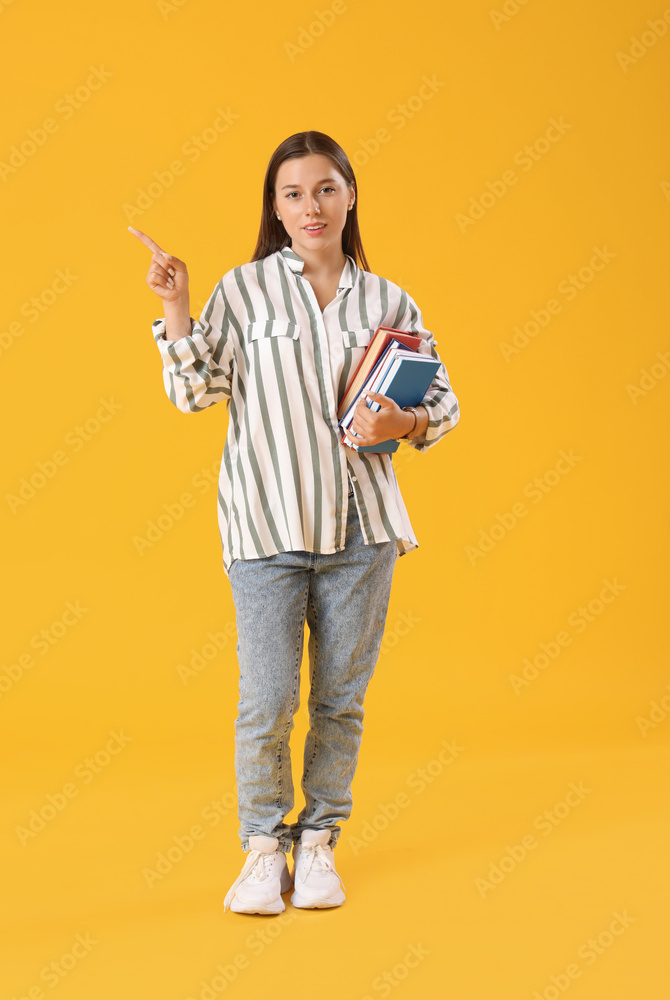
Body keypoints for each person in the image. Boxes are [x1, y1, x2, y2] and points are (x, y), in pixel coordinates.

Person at [129, 129, 460, 916]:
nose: (310, 205)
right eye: (292, 193)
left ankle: (319, 843)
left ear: (349, 197)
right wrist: (176, 306)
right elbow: (194, 393)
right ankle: (261, 847)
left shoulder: (389, 301)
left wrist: (402, 427)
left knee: (341, 699)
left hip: (361, 532)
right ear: (274, 210)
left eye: (324, 189)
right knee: (269, 701)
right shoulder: (242, 292)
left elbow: (441, 404)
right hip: (267, 530)